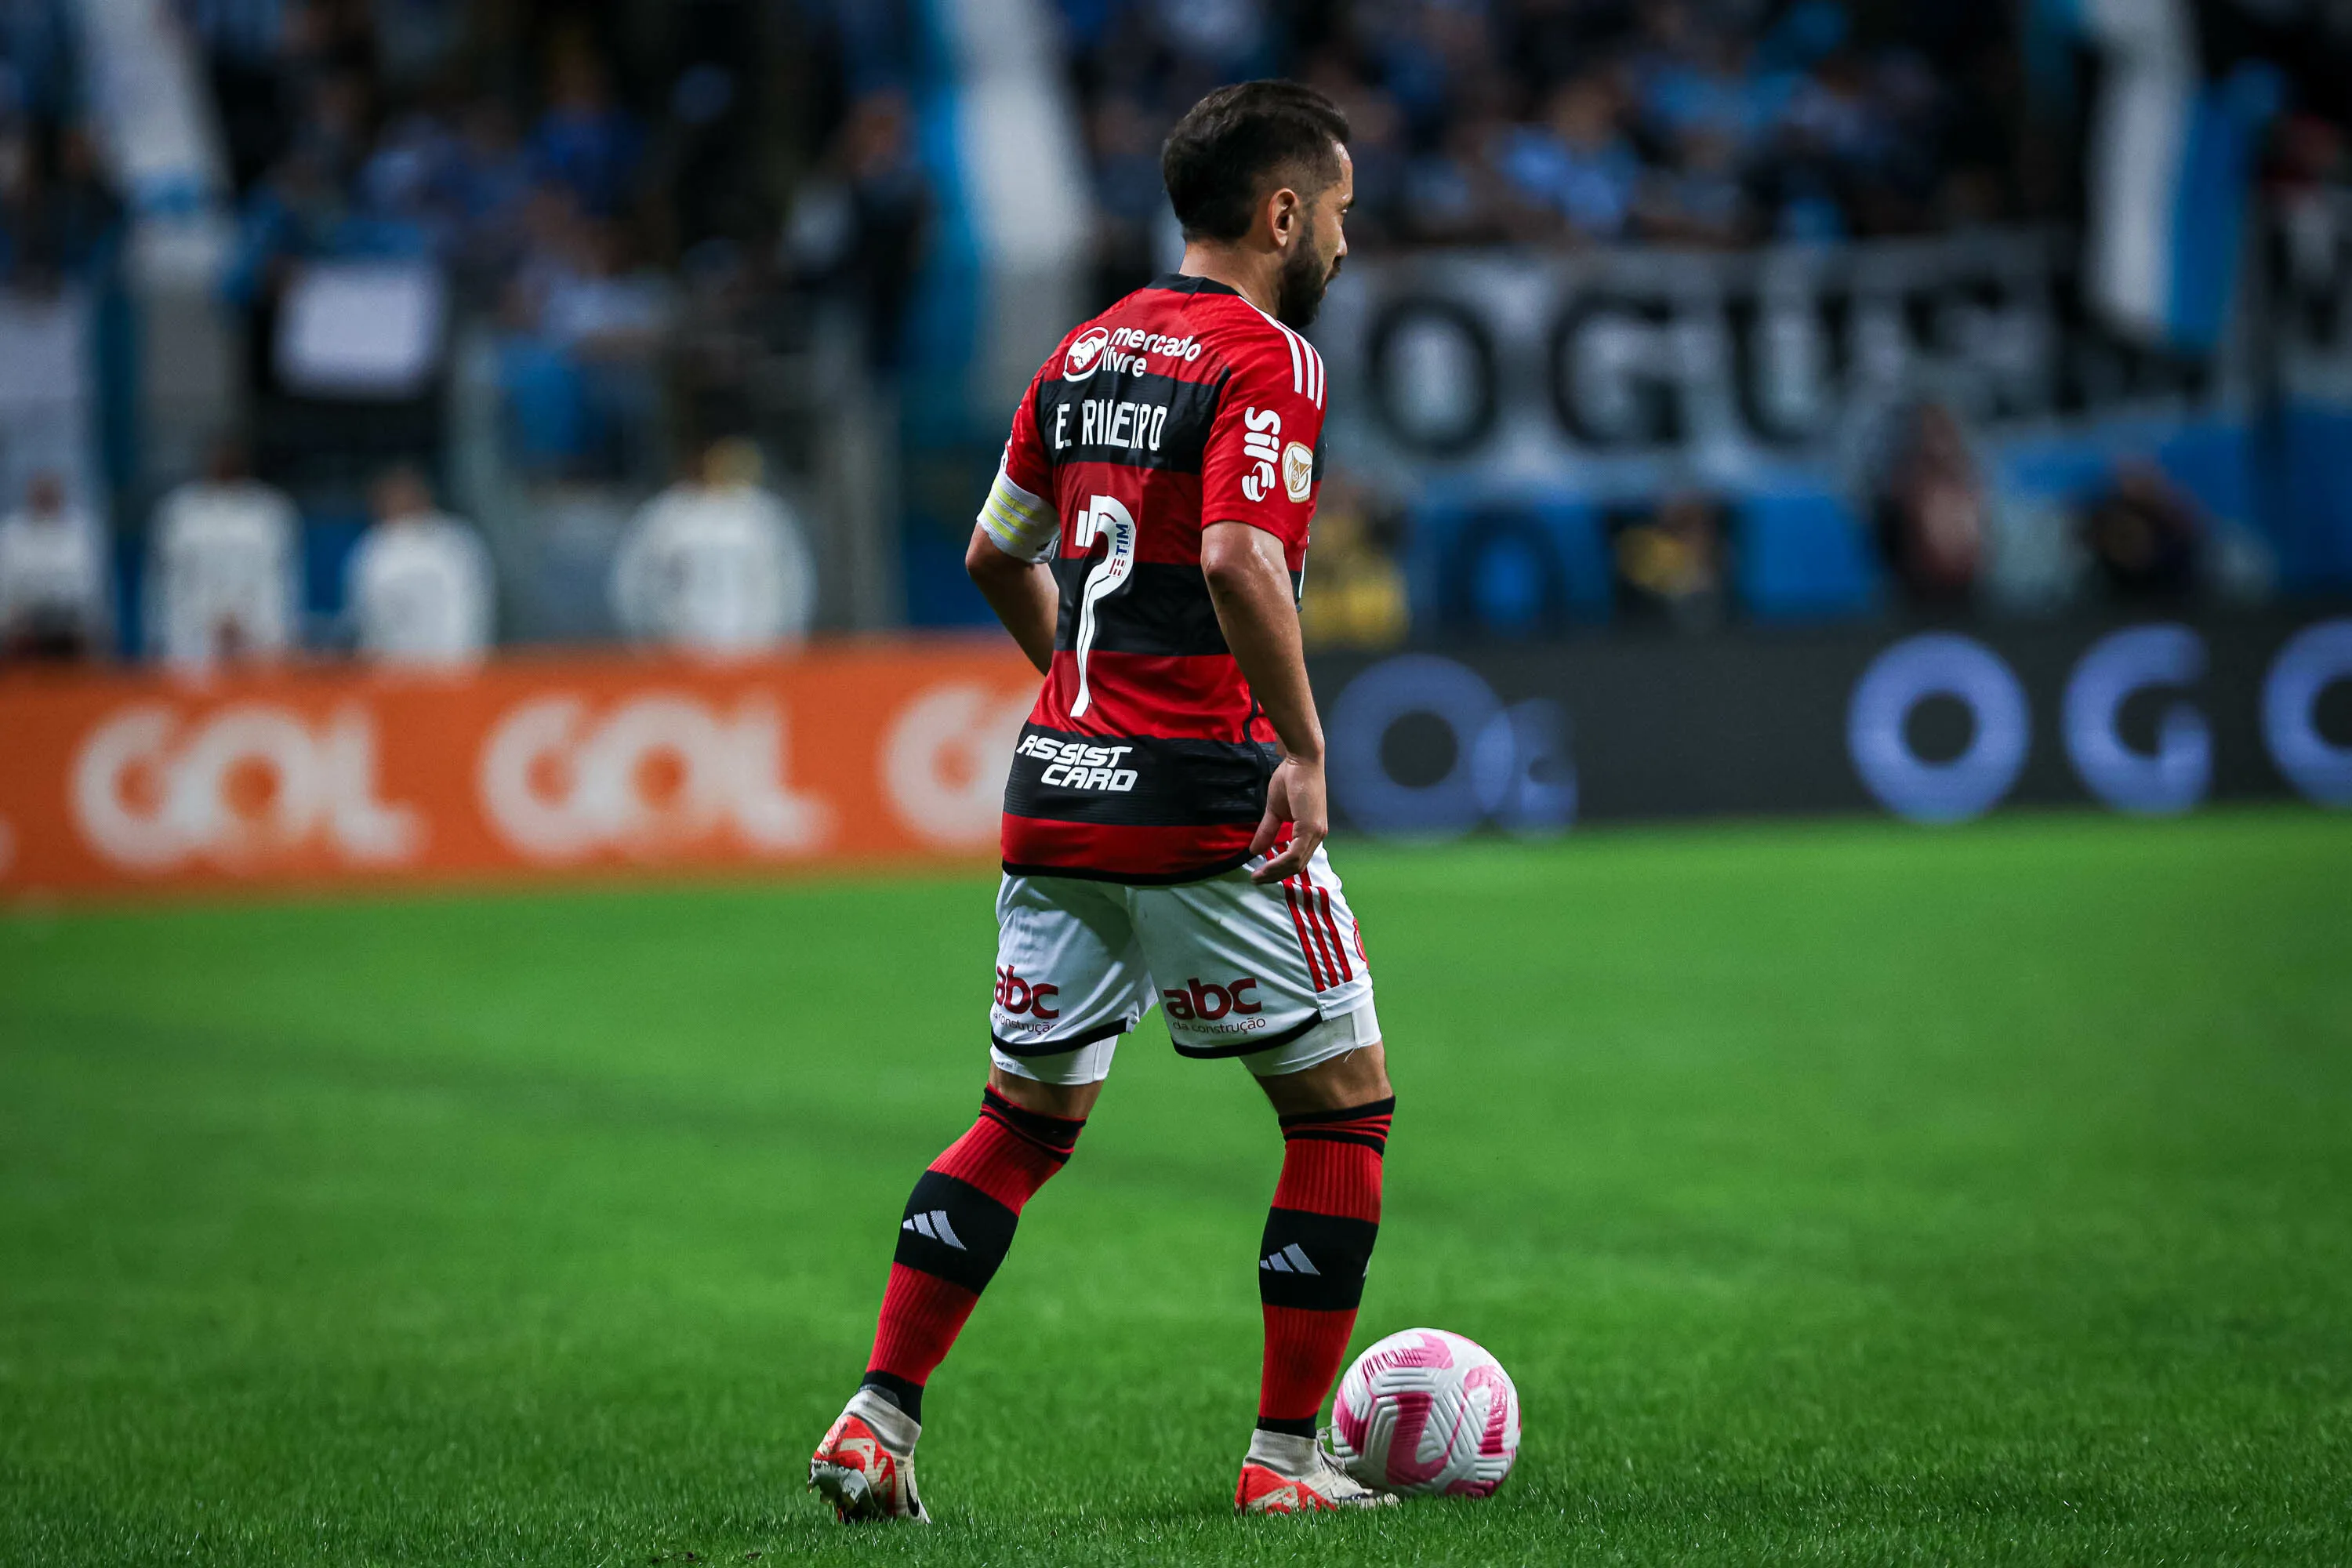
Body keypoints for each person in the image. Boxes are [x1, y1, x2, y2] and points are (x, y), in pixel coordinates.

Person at [806, 80, 1398, 1523]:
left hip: (1057, 793)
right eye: (1337, 213)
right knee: (1341, 1118)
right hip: (1205, 801)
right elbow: (1246, 564)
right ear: (1279, 214)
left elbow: (993, 554)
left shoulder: (1084, 349)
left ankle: (877, 1422)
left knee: (1022, 1121)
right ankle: (1281, 1463)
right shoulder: (1269, 359)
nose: (1343, 241)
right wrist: (1305, 753)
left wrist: (1080, 684)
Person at [609, 437, 814, 654]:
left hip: (756, 651)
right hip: (682, 652)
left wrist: (786, 643)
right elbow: (634, 582)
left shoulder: (762, 514)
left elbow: (791, 580)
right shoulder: (667, 515)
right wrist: (647, 645)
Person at [148, 441, 301, 671]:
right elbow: (166, 581)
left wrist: (256, 624)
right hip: (191, 639)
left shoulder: (270, 511)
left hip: (257, 637)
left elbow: (281, 580)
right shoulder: (180, 512)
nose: (225, 465)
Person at [346, 465, 494, 666]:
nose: (398, 501)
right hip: (392, 675)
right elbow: (367, 620)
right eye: (390, 496)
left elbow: (473, 608)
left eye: (405, 493)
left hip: (453, 670)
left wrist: (462, 664)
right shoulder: (371, 550)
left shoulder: (457, 541)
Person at [0, 470, 109, 659]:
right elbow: (7, 586)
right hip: (23, 625)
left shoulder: (80, 532)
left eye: (50, 492)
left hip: (70, 626)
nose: (45, 497)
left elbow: (88, 588)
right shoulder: (12, 533)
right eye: (41, 492)